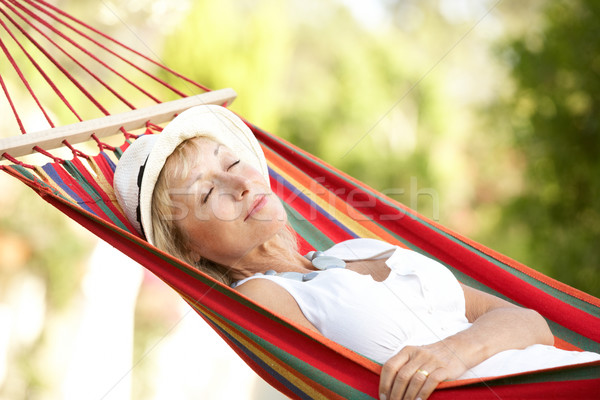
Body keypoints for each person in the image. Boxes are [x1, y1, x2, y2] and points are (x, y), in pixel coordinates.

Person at [113, 105, 600, 400]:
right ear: (191, 254)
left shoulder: (355, 247)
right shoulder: (264, 299)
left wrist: (456, 350)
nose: (240, 183)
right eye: (205, 193)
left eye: (233, 162)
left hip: (569, 371)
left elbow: (533, 322)